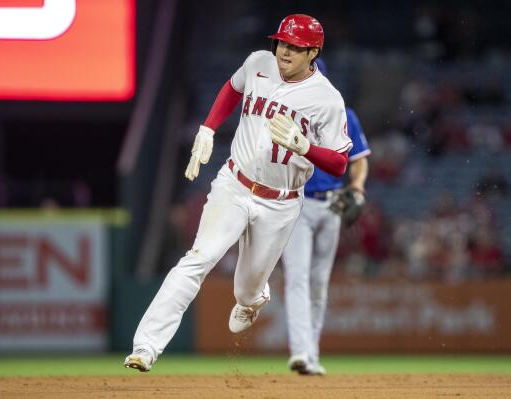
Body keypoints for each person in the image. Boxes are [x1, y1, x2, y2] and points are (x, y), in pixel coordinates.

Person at [124, 14, 353, 372]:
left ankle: (254, 296)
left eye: (295, 47)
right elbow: (233, 88)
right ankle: (146, 347)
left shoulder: (327, 99)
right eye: (282, 42)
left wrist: (305, 147)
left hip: (280, 203)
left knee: (245, 292)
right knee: (198, 259)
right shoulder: (258, 62)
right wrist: (208, 128)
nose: (285, 51)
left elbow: (340, 162)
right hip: (234, 185)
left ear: (313, 52)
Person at [281, 59, 370, 376]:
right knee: (298, 277)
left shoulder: (344, 115)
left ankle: (312, 354)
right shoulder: (285, 116)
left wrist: (357, 189)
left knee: (318, 283)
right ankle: (302, 353)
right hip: (297, 204)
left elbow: (359, 160)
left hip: (332, 204)